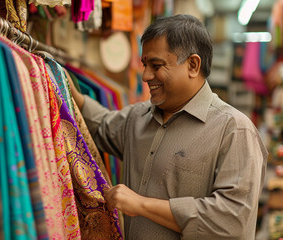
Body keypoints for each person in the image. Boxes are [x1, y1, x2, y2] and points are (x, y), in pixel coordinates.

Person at [68, 14, 268, 240]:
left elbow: (232, 221)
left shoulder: (234, 130)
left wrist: (141, 205)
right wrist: (68, 89)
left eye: (156, 65)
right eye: (145, 65)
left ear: (193, 65)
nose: (145, 76)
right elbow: (101, 126)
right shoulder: (138, 118)